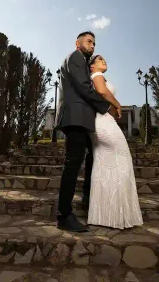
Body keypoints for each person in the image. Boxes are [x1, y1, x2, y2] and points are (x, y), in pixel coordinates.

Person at [54, 31, 118, 232]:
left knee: (93, 156)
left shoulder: (81, 61)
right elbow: (83, 87)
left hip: (84, 119)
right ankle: (64, 215)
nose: (92, 46)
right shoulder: (74, 57)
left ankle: (87, 198)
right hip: (75, 118)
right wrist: (107, 106)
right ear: (77, 43)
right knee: (72, 164)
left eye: (94, 43)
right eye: (89, 41)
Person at [87, 54, 143, 229]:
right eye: (100, 59)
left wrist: (113, 110)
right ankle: (113, 213)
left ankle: (106, 214)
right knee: (122, 159)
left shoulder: (98, 77)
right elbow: (103, 92)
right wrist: (118, 105)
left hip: (104, 120)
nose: (104, 61)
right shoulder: (96, 76)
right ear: (92, 66)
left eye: (104, 59)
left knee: (105, 163)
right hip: (102, 122)